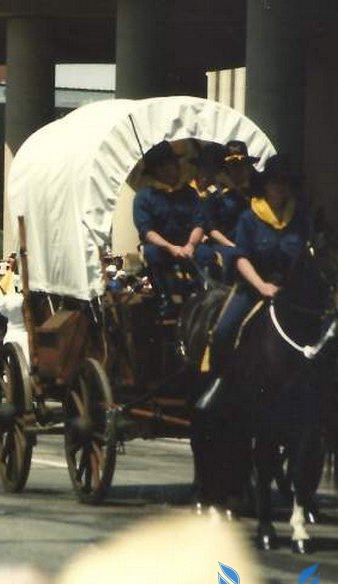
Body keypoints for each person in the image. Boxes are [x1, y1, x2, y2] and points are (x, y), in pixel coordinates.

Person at [200, 154, 310, 407]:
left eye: (285, 182)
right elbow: (240, 258)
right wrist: (262, 286)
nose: (280, 187)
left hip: (289, 291)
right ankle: (217, 384)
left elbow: (303, 254)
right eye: (274, 182)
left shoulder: (299, 218)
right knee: (223, 330)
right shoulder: (250, 217)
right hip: (252, 287)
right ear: (265, 184)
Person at [133, 140, 214, 314]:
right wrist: (171, 248)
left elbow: (200, 223)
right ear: (155, 171)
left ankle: (206, 298)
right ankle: (165, 301)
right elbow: (146, 231)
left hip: (188, 246)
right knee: (152, 253)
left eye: (172, 164)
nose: (169, 170)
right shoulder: (144, 196)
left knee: (207, 254)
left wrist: (190, 245)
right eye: (162, 167)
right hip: (162, 248)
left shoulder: (189, 193)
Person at [194, 141, 259, 284]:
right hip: (226, 245)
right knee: (234, 255)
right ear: (226, 169)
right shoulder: (215, 196)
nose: (238, 170)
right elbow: (212, 230)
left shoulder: (258, 194)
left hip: (253, 243)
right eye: (233, 166)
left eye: (242, 165)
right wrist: (233, 246)